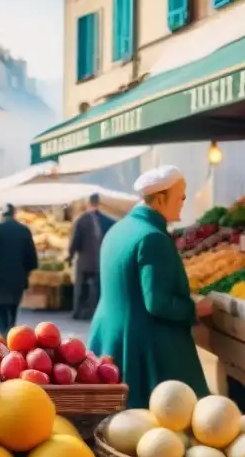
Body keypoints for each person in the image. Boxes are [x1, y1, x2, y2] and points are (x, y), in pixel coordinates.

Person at [88, 166, 214, 409]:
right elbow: (158, 302)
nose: (184, 201)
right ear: (159, 199)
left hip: (111, 337)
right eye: (180, 196)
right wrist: (195, 309)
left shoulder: (119, 229)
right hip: (144, 348)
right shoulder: (152, 238)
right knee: (161, 422)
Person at [0, 204, 38, 336]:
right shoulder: (24, 230)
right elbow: (33, 260)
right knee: (12, 310)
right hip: (18, 278)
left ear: (2, 214)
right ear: (14, 213)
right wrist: (25, 270)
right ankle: (11, 335)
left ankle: (6, 335)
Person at [69, 193, 116, 320]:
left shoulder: (82, 220)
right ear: (98, 203)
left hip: (84, 261)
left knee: (81, 288)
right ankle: (95, 312)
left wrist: (70, 255)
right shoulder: (107, 220)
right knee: (98, 289)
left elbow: (75, 240)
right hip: (99, 261)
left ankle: (78, 313)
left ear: (88, 203)